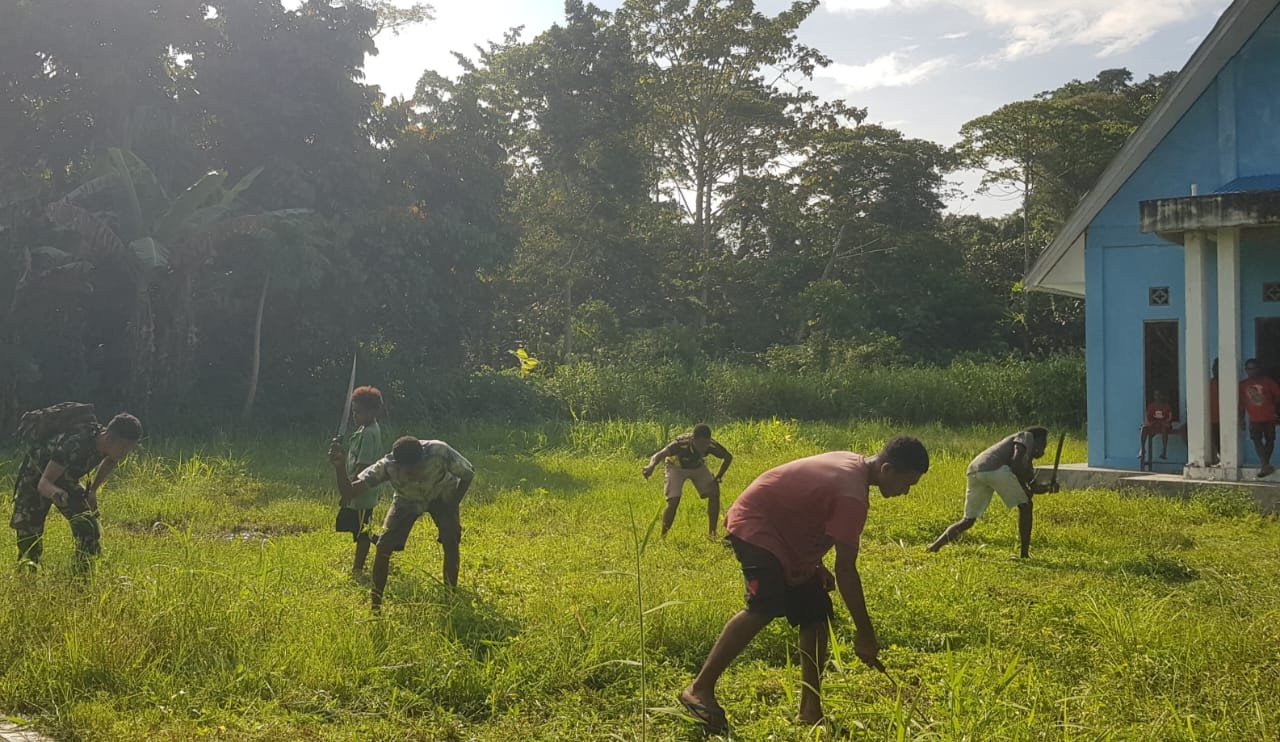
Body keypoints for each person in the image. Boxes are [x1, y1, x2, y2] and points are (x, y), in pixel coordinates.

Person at [677, 437, 930, 734]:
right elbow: (847, 569)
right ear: (887, 469)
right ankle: (699, 689)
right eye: (907, 484)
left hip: (784, 535)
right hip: (756, 525)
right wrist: (865, 633)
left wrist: (814, 564)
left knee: (816, 612)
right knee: (764, 605)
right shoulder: (853, 496)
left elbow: (805, 506)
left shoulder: (853, 464)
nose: (905, 492)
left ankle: (811, 709)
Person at [329, 435, 474, 610]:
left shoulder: (439, 451)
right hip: (407, 501)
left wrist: (453, 503)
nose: (414, 474)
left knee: (451, 540)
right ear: (397, 464)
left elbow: (468, 473)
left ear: (424, 458)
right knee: (383, 548)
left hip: (441, 495)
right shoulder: (387, 466)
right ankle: (375, 608)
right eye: (407, 471)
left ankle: (450, 597)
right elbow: (349, 492)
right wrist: (340, 467)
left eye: (418, 468)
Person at [10, 412, 142, 572]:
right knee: (29, 537)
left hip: (65, 478)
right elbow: (43, 483)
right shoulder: (74, 444)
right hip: (36, 478)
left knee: (88, 526)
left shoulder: (107, 445)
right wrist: (55, 493)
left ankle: (83, 575)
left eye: (129, 448)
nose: (125, 453)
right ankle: (27, 580)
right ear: (109, 438)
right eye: (123, 448)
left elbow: (111, 460)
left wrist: (93, 490)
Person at [927, 426, 1055, 559]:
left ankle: (934, 547)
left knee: (968, 520)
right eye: (1043, 444)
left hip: (975, 470)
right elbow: (1015, 464)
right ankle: (1024, 555)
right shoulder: (1026, 436)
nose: (1043, 450)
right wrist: (1025, 488)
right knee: (1026, 506)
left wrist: (1047, 488)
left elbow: (1032, 487)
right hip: (994, 469)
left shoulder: (1027, 463)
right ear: (1036, 440)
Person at [642, 424, 733, 539]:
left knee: (714, 492)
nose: (704, 448)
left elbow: (728, 457)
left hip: (697, 466)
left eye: (706, 444)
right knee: (673, 500)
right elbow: (659, 454)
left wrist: (719, 476)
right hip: (676, 467)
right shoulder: (680, 444)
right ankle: (663, 537)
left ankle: (712, 533)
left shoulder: (711, 445)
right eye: (701, 444)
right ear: (693, 440)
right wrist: (650, 466)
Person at [335, 386, 386, 577]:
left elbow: (363, 466)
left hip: (362, 491)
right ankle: (382, 543)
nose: (355, 416)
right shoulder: (363, 428)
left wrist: (349, 490)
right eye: (354, 412)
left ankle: (358, 567)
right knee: (360, 525)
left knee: (362, 532)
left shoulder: (370, 433)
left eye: (359, 412)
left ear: (372, 412)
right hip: (357, 488)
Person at [1239, 358, 1280, 477]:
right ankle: (1265, 465)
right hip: (1254, 419)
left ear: (1258, 369)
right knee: (1256, 441)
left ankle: (1265, 465)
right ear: (1246, 370)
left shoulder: (1267, 382)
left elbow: (1278, 396)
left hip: (1269, 417)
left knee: (1270, 441)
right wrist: (1241, 419)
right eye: (1248, 369)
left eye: (1253, 368)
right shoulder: (1242, 385)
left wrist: (1277, 412)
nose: (1251, 371)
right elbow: (1241, 403)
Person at [1139, 390, 1174, 464]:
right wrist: (1150, 423)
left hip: (1163, 425)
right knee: (1144, 429)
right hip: (1154, 425)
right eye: (1156, 395)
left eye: (1159, 395)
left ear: (1162, 396)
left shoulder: (1166, 406)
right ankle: (1142, 449)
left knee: (1164, 429)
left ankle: (1164, 451)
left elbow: (1170, 417)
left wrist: (1165, 422)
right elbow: (1147, 417)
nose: (1157, 397)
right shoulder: (1151, 406)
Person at [1210, 359, 1220, 464]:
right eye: (1214, 368)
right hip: (1210, 418)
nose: (1214, 370)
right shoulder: (1209, 383)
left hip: (1222, 419)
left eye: (1217, 368)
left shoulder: (1227, 383)